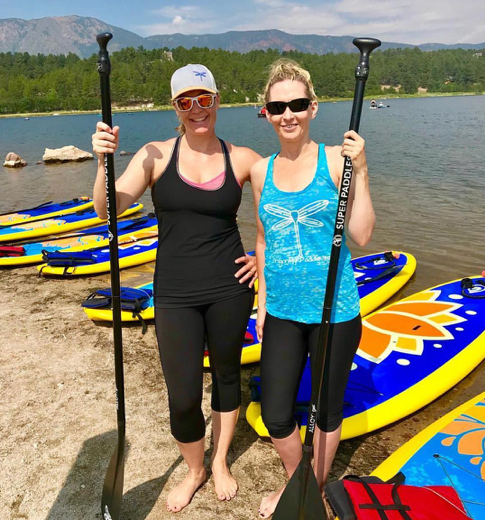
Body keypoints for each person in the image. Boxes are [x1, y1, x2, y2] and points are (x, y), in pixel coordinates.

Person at [92, 63, 261, 513]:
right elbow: (108, 210)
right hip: (174, 293)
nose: (196, 109)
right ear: (176, 108)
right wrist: (103, 161)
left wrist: (262, 262)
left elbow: (277, 217)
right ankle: (195, 469)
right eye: (186, 102)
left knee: (227, 376)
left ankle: (220, 460)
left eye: (204, 99)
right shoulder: (153, 155)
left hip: (230, 288)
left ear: (217, 101)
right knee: (183, 393)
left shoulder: (242, 158)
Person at [250, 59, 375, 518]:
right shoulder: (261, 172)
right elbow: (263, 238)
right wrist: (262, 301)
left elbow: (361, 235)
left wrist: (361, 171)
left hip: (334, 313)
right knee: (276, 414)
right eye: (278, 106)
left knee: (325, 414)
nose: (288, 114)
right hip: (282, 310)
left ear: (313, 108)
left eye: (297, 104)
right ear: (266, 112)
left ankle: (312, 490)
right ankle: (297, 482)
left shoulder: (339, 159)